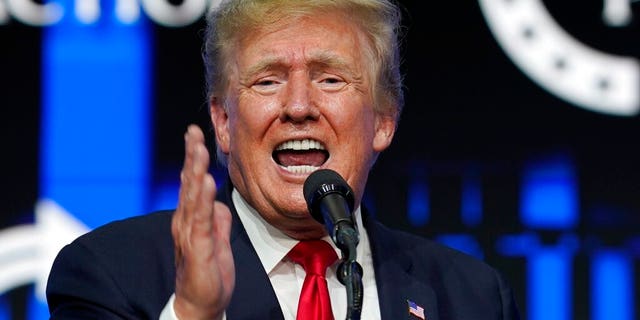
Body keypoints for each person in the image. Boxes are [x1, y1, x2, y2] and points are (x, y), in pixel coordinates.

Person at [46, 0, 521, 319]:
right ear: (224, 123)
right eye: (267, 81)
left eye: (331, 79)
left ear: (383, 121)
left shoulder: (473, 297)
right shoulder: (109, 272)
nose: (298, 107)